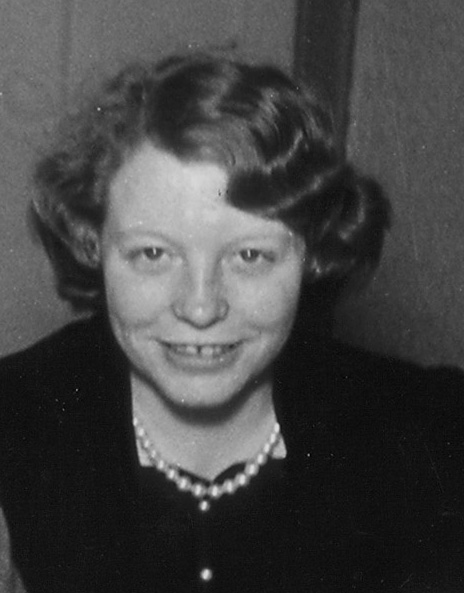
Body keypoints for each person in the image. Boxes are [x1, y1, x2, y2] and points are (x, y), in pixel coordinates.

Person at [0, 51, 463, 593]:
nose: (200, 308)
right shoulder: (15, 425)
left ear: (313, 254)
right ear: (93, 246)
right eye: (152, 254)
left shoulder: (430, 433)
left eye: (250, 256)